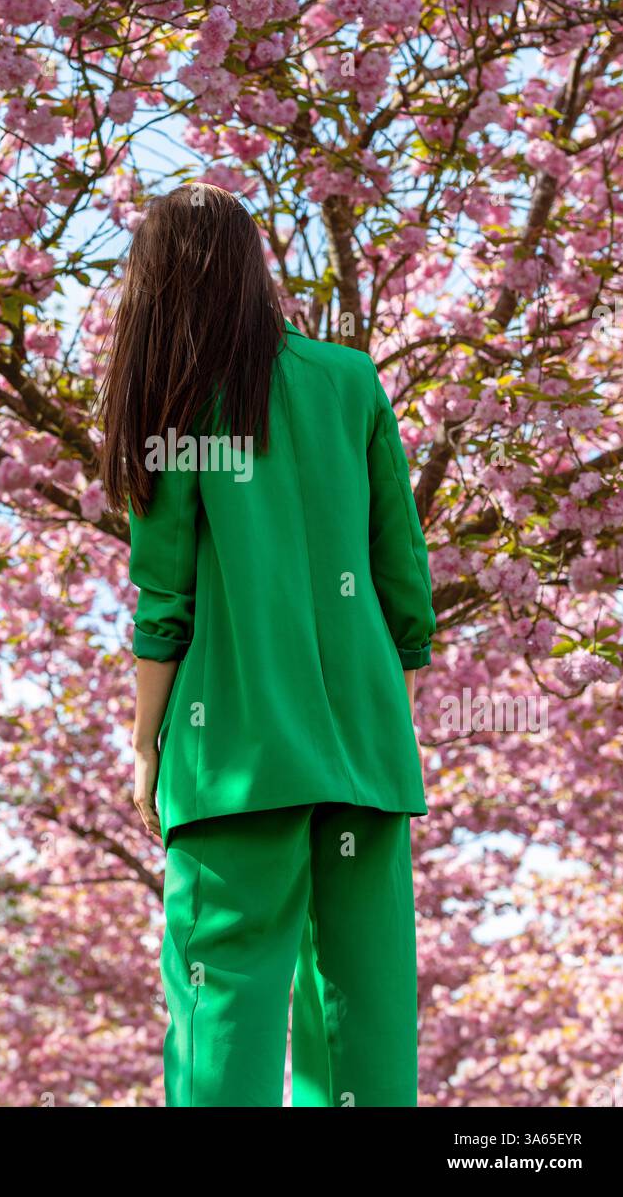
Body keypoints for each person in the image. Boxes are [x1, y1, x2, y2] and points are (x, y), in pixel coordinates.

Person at [99, 183, 435, 1108]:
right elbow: (401, 570)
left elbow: (165, 603)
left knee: (225, 1006)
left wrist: (143, 746)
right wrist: (381, 717)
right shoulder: (350, 380)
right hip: (360, 749)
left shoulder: (175, 404)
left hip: (234, 753)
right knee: (363, 1016)